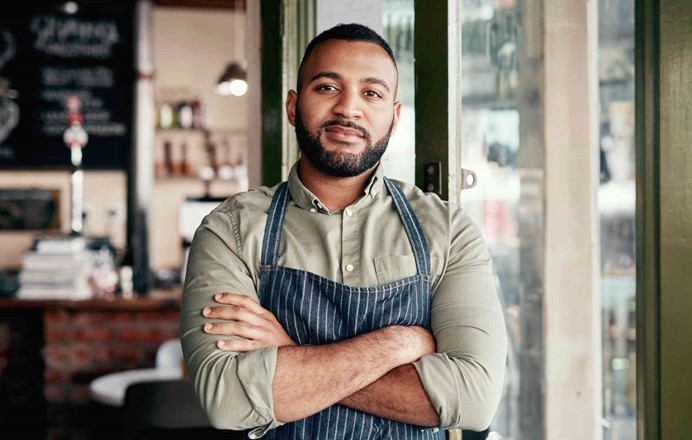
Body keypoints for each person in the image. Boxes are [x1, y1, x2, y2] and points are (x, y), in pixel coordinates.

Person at [181, 23, 507, 440]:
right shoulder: (231, 231)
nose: (348, 109)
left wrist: (290, 356)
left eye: (371, 93)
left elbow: (474, 399)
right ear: (293, 107)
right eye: (327, 87)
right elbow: (228, 399)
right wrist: (398, 344)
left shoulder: (447, 230)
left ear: (394, 114)